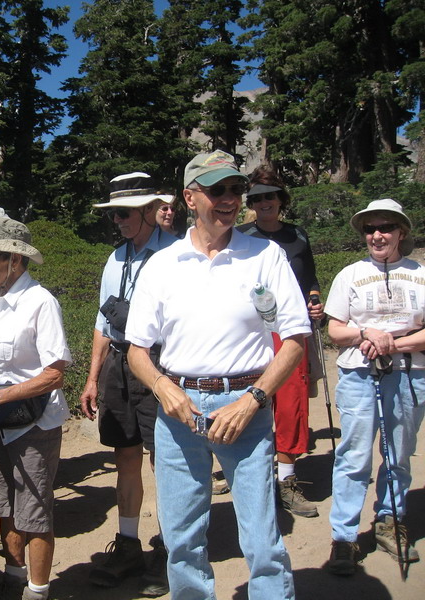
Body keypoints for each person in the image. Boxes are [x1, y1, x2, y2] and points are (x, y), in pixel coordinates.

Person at [126, 150, 310, 599]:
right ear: (191, 198)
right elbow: (136, 351)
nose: (230, 199)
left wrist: (254, 401)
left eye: (236, 189)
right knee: (181, 537)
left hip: (245, 405)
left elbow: (295, 340)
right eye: (217, 190)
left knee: (261, 535)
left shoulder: (266, 255)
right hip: (179, 413)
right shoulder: (162, 265)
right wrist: (162, 386)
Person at [0, 216, 71, 600]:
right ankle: (13, 573)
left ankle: (38, 592)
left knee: (34, 511)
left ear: (15, 261)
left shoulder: (41, 302)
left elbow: (55, 374)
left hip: (33, 424)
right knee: (2, 502)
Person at [79, 172, 176, 596]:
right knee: (127, 455)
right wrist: (93, 377)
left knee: (167, 459)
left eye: (122, 213)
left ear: (147, 212)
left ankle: (174, 549)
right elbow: (103, 321)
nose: (116, 221)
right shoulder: (115, 258)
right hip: (120, 365)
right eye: (113, 214)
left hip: (160, 365)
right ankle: (130, 542)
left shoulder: (176, 254)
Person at [325, 198, 425, 575]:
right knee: (354, 456)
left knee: (399, 453)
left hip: (410, 372)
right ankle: (344, 537)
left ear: (402, 232)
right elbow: (336, 330)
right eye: (370, 229)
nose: (377, 235)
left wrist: (392, 343)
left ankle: (389, 520)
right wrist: (367, 332)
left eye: (385, 227)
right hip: (358, 374)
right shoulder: (349, 274)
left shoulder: (420, 273)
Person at [237, 167, 324, 517]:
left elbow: (310, 278)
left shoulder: (297, 236)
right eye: (256, 198)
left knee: (291, 401)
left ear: (280, 199)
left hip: (290, 329)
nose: (263, 203)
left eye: (269, 196)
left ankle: (286, 478)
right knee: (247, 397)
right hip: (252, 331)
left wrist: (315, 299)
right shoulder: (241, 235)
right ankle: (245, 468)